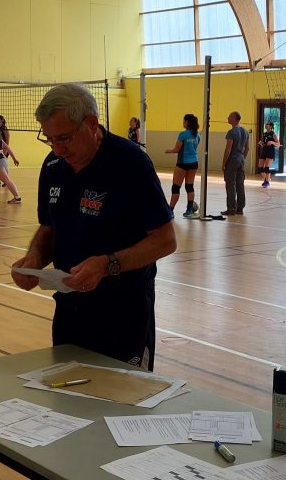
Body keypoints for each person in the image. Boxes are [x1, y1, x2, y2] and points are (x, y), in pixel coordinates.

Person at [11, 83, 176, 371]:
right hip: (69, 313)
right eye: (49, 139)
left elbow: (165, 240)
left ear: (91, 124)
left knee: (122, 396)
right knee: (66, 394)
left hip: (123, 315)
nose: (57, 149)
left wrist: (106, 265)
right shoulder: (52, 167)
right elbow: (48, 229)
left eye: (64, 138)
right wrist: (34, 259)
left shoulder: (130, 163)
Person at [164, 114, 201, 218]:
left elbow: (176, 149)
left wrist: (168, 151)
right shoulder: (197, 135)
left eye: (184, 121)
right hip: (194, 162)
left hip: (183, 163)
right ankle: (189, 211)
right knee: (189, 186)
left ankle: (170, 211)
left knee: (176, 187)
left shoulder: (183, 134)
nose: (183, 123)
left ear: (187, 122)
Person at [221, 111, 249, 216]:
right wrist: (242, 158)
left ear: (234, 119)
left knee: (230, 184)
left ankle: (231, 208)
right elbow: (247, 148)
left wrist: (223, 163)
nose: (227, 118)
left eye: (229, 117)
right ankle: (240, 208)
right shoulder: (245, 132)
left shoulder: (231, 132)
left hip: (232, 160)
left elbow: (228, 149)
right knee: (240, 184)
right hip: (241, 159)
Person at [257, 121, 279, 188]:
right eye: (266, 124)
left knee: (266, 167)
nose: (266, 125)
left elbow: (278, 144)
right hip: (264, 151)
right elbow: (264, 144)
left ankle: (267, 182)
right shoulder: (264, 134)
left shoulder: (273, 134)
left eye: (267, 124)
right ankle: (267, 179)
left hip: (270, 152)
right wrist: (261, 143)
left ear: (271, 126)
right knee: (260, 168)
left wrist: (272, 142)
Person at [0, 115, 11, 186]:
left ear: (2, 120)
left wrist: (6, 150)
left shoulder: (4, 129)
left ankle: (6, 181)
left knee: (4, 165)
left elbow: (7, 141)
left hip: (3, 149)